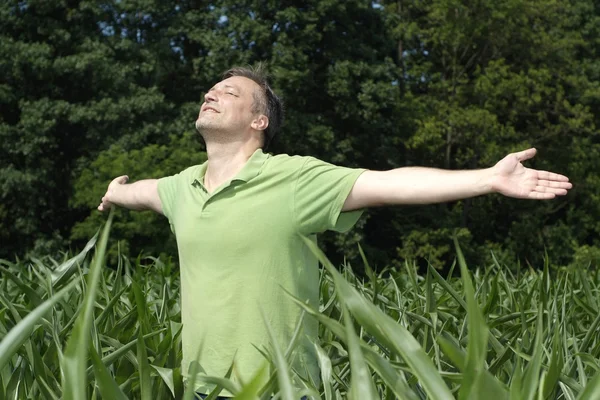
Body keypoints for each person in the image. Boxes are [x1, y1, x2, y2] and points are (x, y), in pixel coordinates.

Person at [98, 65, 572, 398]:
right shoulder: (183, 187)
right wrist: (115, 191)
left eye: (230, 92)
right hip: (199, 387)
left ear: (259, 121)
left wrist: (486, 178)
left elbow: (387, 183)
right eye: (211, 90)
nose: (212, 94)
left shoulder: (294, 178)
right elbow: (143, 192)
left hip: (279, 389)